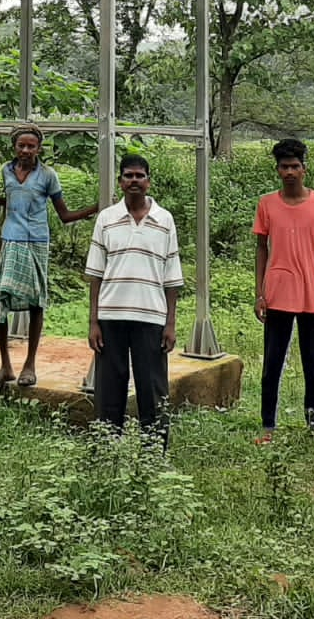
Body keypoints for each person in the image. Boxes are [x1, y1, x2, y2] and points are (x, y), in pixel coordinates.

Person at [0, 124, 97, 388]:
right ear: (14, 147)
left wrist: (94, 208)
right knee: (0, 300)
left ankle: (29, 364)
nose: (25, 150)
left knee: (36, 302)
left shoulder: (47, 175)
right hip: (10, 240)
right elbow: (13, 202)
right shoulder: (7, 171)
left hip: (36, 241)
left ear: (39, 148)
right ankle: (6, 365)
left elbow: (64, 215)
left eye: (30, 146)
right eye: (21, 145)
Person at [86, 154, 184, 445]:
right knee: (109, 390)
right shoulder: (107, 219)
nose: (134, 181)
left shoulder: (164, 220)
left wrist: (170, 323)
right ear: (120, 181)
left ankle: (153, 453)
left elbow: (172, 278)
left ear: (148, 181)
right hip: (111, 317)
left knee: (152, 390)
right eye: (128, 176)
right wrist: (93, 322)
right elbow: (95, 274)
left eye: (139, 176)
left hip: (151, 317)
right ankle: (106, 450)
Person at [253, 137, 314, 438]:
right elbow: (261, 248)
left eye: (295, 166)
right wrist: (259, 293)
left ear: (304, 168)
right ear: (277, 170)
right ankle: (267, 425)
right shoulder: (267, 204)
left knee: (312, 365)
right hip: (277, 293)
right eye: (284, 167)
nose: (290, 172)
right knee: (271, 365)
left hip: (311, 294)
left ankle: (313, 425)